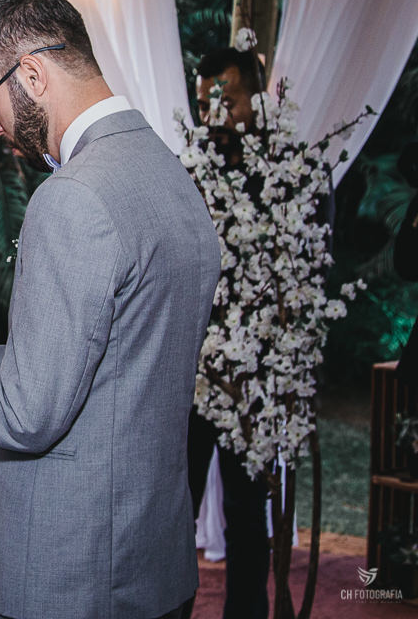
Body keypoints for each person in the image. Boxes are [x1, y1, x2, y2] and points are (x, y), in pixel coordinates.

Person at [0, 0, 222, 619]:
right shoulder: (169, 174)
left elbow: (26, 416)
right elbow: (113, 363)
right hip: (154, 563)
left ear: (30, 73)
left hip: (71, 574)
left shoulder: (72, 198)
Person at [188, 45, 273, 619]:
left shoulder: (291, 172)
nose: (212, 116)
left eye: (225, 100)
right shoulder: (190, 171)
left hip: (257, 382)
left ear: (256, 99)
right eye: (202, 104)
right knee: (173, 512)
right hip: (191, 375)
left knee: (247, 517)